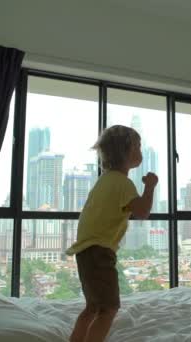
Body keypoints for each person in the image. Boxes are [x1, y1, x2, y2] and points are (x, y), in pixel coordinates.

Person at [67, 125, 158, 342]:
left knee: (92, 307)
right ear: (125, 151)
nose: (141, 150)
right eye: (137, 145)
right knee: (108, 309)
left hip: (86, 251)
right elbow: (143, 212)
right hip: (99, 252)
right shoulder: (122, 183)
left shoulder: (105, 180)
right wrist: (150, 187)